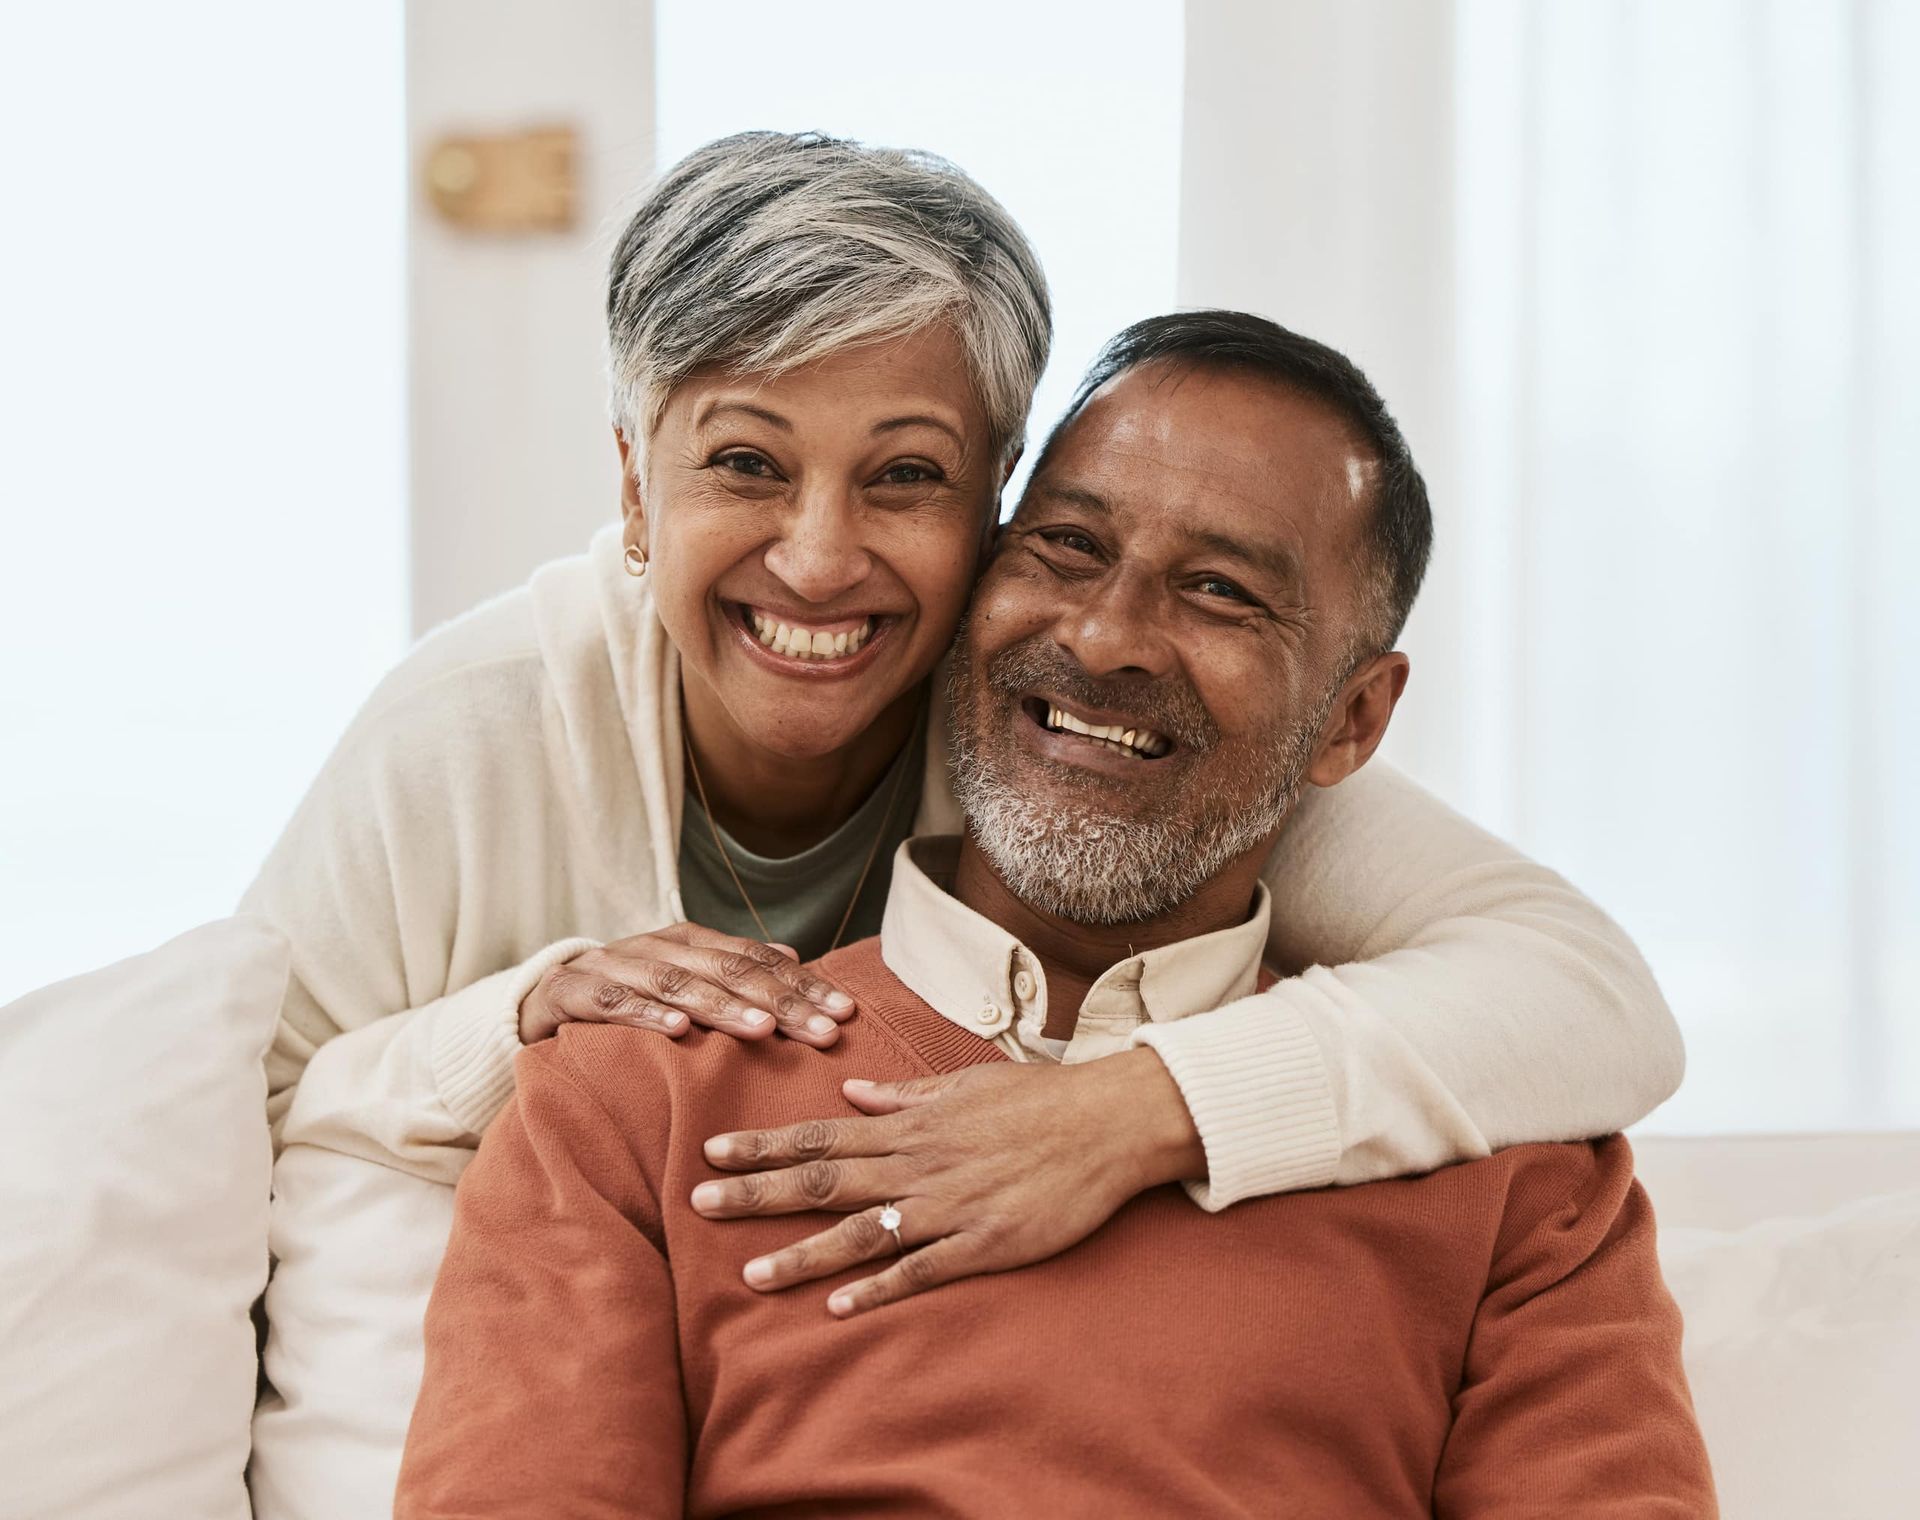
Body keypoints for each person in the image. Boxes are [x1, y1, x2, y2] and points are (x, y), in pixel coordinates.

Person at [248, 130, 1681, 1320]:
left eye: (905, 477)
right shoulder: (475, 731)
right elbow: (245, 1119)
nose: (816, 559)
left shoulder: (1064, 729)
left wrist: (1126, 1110)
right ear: (636, 488)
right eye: (745, 462)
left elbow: (1585, 996)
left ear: (997, 495)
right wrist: (522, 1016)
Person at [394, 312, 1716, 1518]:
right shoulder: (635, 1099)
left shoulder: (1513, 1163)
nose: (1104, 638)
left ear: (1355, 718)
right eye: (1068, 549)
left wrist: (1140, 1111)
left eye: (1221, 594)